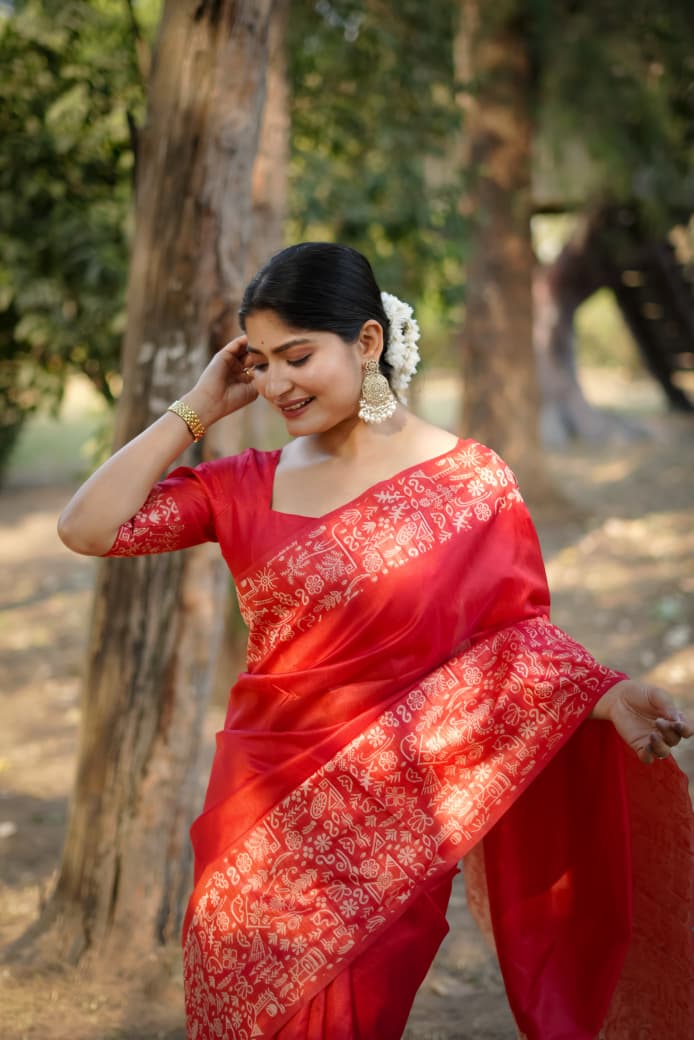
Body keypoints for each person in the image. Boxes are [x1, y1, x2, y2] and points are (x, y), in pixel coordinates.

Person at [58, 242, 693, 1040]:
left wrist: (602, 695)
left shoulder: (470, 483)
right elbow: (87, 527)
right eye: (259, 362)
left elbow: (516, 643)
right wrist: (196, 408)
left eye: (298, 356)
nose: (277, 383)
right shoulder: (243, 483)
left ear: (366, 342)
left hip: (392, 824)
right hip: (255, 808)